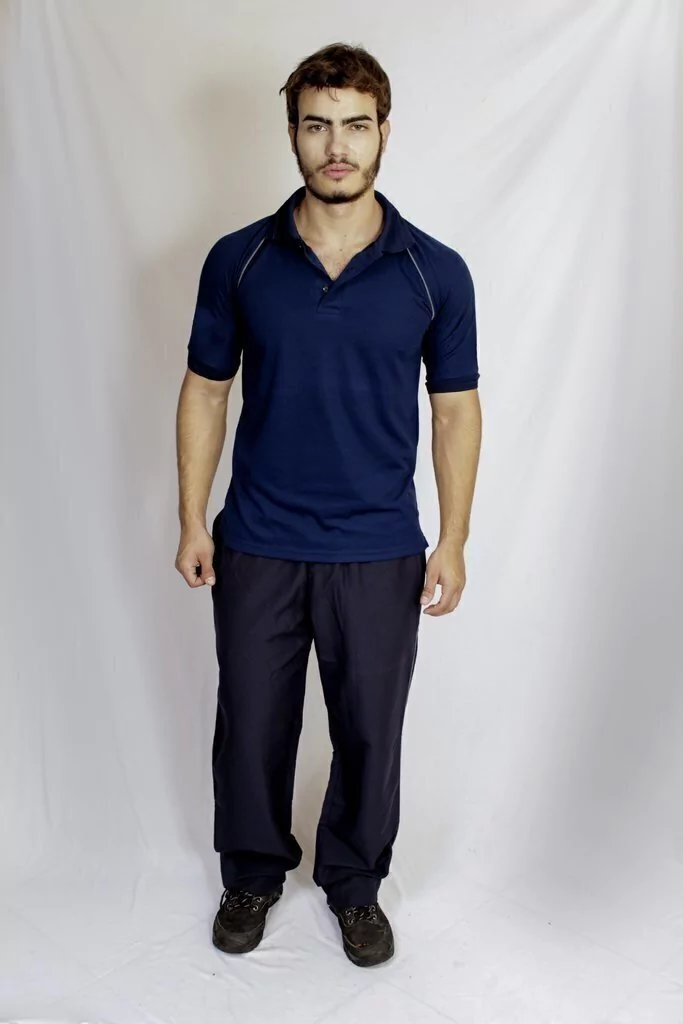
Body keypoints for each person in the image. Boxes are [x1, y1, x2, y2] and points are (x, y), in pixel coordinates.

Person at [175, 41, 482, 968]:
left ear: (384, 132)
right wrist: (191, 518)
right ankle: (251, 875)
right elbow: (205, 390)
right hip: (258, 540)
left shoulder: (433, 270)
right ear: (292, 134)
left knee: (369, 732)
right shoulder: (239, 259)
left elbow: (455, 408)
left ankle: (355, 886)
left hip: (379, 546)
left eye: (354, 125)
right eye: (317, 126)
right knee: (253, 725)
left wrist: (453, 539)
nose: (336, 146)